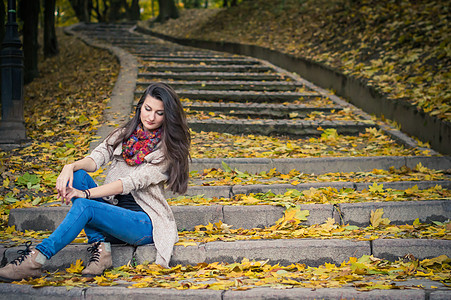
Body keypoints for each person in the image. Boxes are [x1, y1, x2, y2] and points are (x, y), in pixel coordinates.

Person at [0, 82, 190, 282]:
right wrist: (70, 167)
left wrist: (86, 194)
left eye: (159, 113)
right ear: (140, 107)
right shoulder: (124, 134)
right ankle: (101, 248)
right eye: (148, 109)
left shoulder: (167, 151)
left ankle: (36, 259)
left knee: (85, 205)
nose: (151, 117)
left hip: (143, 223)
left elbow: (129, 182)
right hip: (113, 212)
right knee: (80, 176)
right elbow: (96, 158)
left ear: (167, 116)